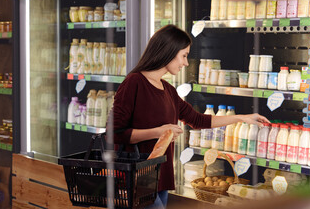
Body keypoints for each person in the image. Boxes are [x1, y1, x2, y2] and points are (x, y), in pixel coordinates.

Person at [109, 25, 269, 208]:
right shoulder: (134, 82)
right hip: (136, 179)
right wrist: (158, 132)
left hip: (160, 177)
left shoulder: (168, 89)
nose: (186, 63)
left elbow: (199, 120)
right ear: (168, 51)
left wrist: (242, 118)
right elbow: (114, 133)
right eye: (184, 55)